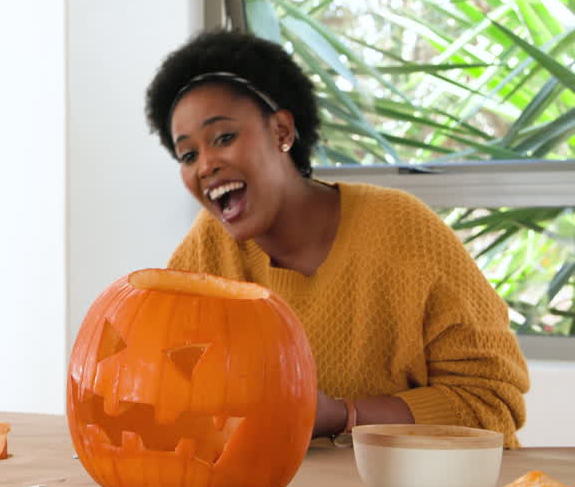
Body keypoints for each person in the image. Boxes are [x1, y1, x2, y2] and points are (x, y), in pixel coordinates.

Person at [143, 30, 529, 447]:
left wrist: (342, 415)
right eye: (188, 155)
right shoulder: (207, 250)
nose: (206, 165)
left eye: (224, 138)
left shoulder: (403, 231)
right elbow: (167, 388)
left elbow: (492, 404)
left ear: (281, 131)